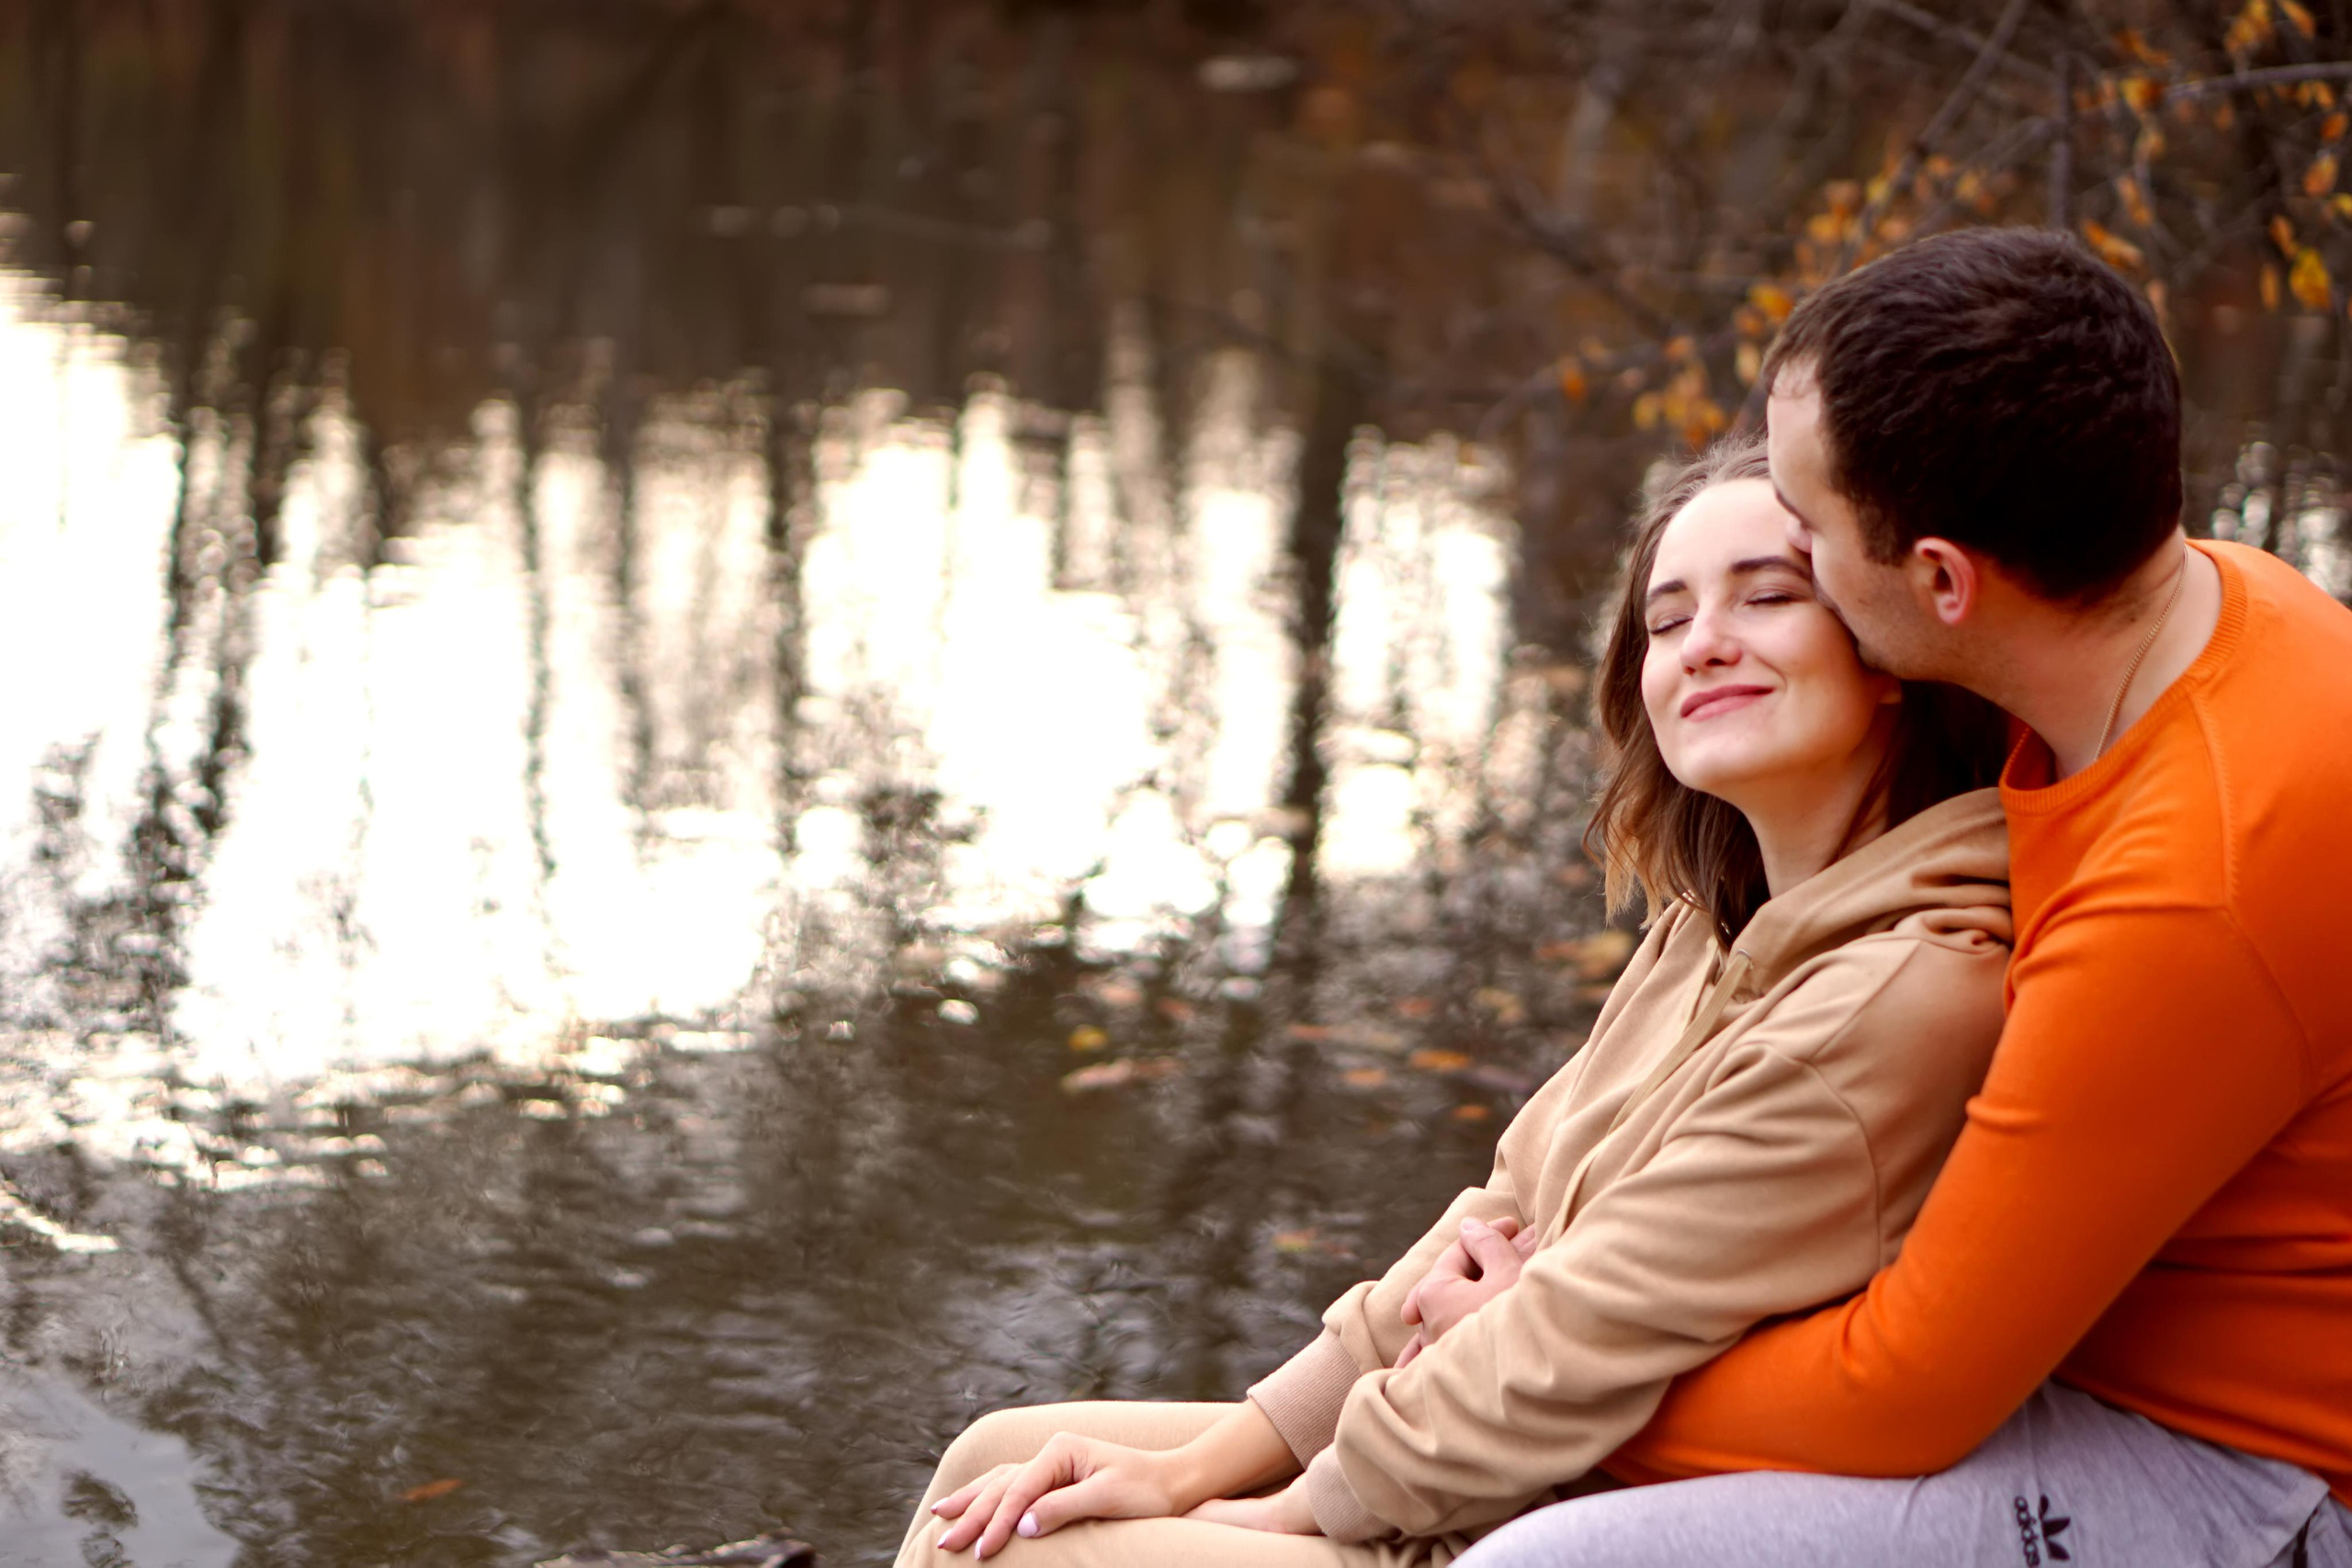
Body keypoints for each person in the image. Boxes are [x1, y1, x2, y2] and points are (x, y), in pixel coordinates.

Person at [890, 439, 2015, 1567]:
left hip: (1558, 1513)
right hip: (1470, 1453)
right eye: (1667, 622)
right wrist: (1206, 1461)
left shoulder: (1900, 994)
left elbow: (1568, 1338)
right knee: (996, 1462)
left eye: (1767, 598)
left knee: (1019, 1552)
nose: (1704, 643)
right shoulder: (1714, 927)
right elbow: (1506, 1210)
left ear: (1883, 647)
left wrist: (1267, 1513)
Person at [1460, 230, 2352, 1568]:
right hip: (2048, 1344)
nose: (1789, 553)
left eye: (1805, 534)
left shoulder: (2189, 892)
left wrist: (1530, 1370)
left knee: (1544, 1560)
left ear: (1940, 581)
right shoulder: (2210, 611)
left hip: (2235, 1459)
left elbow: (1904, 1390)